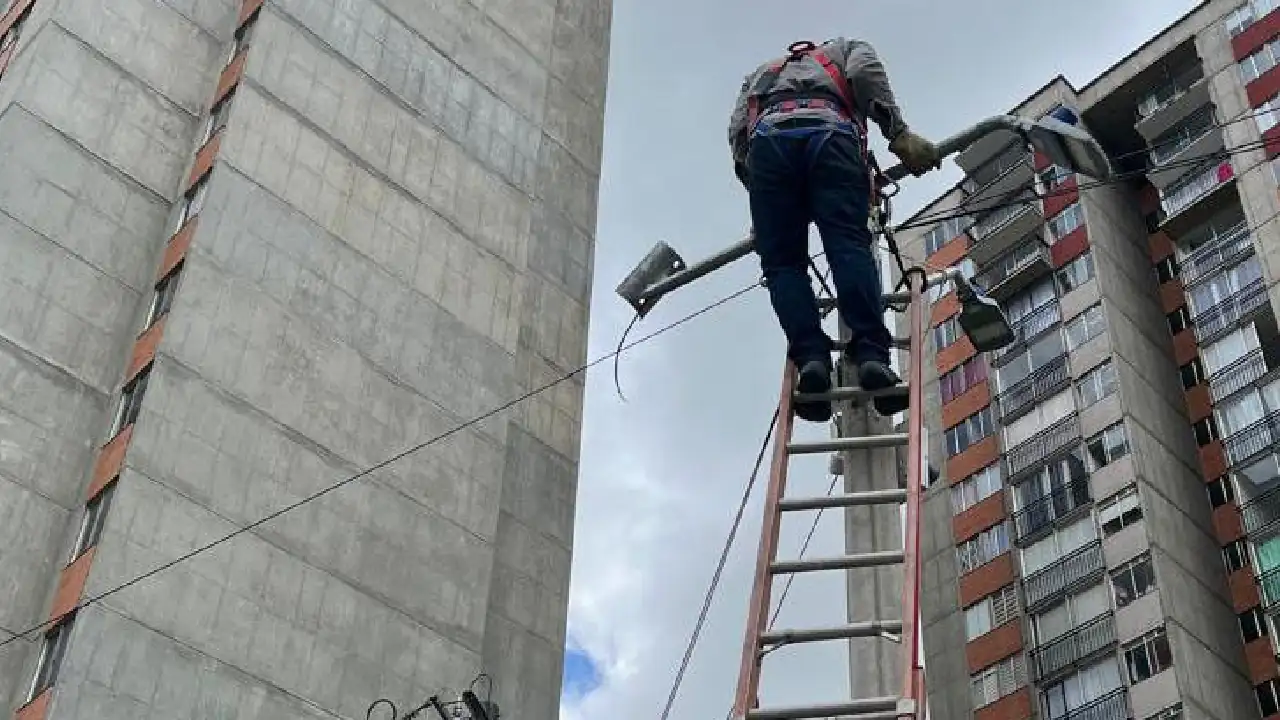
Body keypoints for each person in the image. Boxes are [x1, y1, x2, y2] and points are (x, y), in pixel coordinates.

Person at [728, 38, 940, 422]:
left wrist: (760, 201)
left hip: (769, 149)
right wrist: (898, 132)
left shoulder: (761, 74)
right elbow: (863, 73)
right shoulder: (847, 49)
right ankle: (872, 356)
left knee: (783, 263)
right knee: (848, 245)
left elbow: (738, 131)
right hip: (831, 138)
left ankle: (811, 359)